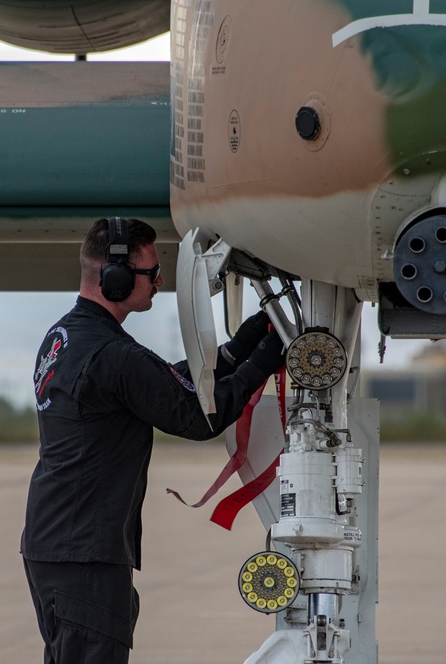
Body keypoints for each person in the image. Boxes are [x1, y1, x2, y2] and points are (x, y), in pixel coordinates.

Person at [20, 217, 285, 664]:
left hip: (56, 544)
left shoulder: (66, 338)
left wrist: (234, 352)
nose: (160, 282)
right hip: (86, 553)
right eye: (152, 273)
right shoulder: (113, 354)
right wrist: (262, 362)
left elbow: (156, 387)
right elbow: (197, 416)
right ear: (115, 277)